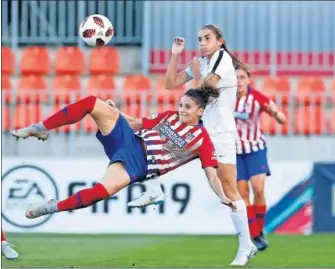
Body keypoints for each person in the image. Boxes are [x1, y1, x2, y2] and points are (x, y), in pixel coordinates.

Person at [12, 85, 237, 227]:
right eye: (180, 104)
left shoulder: (203, 141)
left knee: (97, 194)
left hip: (137, 165)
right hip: (129, 139)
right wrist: (114, 111)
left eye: (187, 107)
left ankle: (50, 207)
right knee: (92, 103)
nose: (181, 110)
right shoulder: (169, 116)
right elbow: (136, 123)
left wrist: (221, 196)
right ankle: (42, 127)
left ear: (200, 111)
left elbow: (212, 175)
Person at [124, 24, 256, 265]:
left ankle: (246, 246)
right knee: (150, 141)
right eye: (200, 39)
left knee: (229, 188)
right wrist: (175, 54)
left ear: (220, 41)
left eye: (207, 38)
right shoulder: (202, 63)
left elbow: (204, 91)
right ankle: (154, 189)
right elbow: (170, 83)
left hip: (221, 134)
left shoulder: (221, 59)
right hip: (199, 131)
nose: (202, 43)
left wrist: (196, 72)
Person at [234, 67, 286, 251]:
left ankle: (258, 231)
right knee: (243, 194)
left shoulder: (257, 98)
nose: (238, 81)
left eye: (242, 77)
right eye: (235, 78)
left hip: (255, 149)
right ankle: (255, 235)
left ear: (248, 80)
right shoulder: (224, 99)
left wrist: (275, 113)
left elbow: (282, 119)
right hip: (235, 152)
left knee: (258, 189)